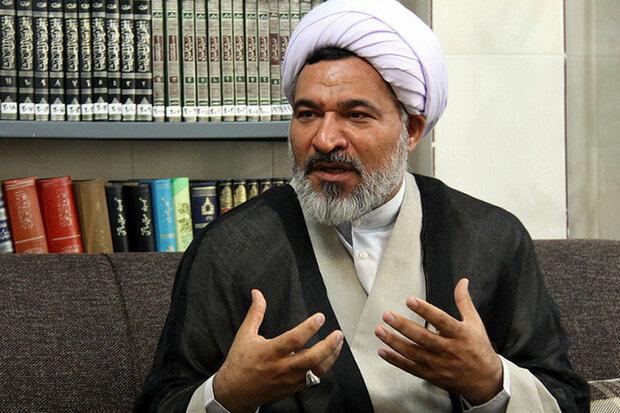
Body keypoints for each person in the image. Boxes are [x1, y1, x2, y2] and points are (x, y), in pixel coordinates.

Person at [136, 1, 588, 412]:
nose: (324, 139)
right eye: (307, 114)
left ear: (412, 130)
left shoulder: (490, 238)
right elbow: (164, 400)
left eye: (355, 115)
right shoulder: (232, 247)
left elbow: (566, 397)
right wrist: (227, 396)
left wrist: (492, 383)